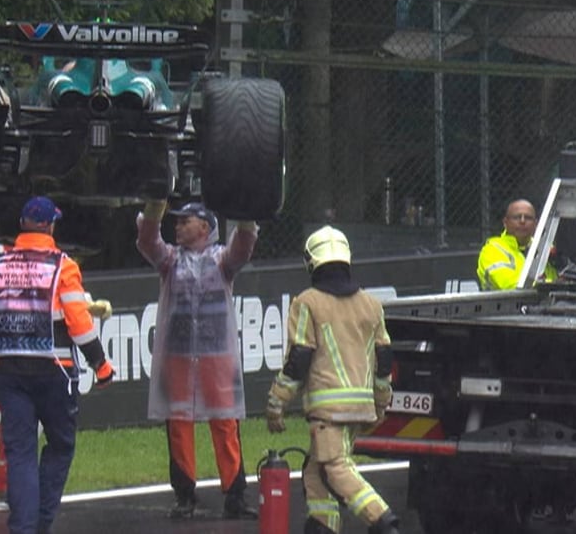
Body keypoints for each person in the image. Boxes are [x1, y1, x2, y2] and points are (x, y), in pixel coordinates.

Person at [0, 196, 114, 534]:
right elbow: (78, 320)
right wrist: (100, 364)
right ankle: (41, 522)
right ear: (51, 226)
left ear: (22, 225)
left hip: (8, 371)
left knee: (20, 453)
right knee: (61, 445)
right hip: (55, 371)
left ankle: (23, 528)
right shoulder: (62, 266)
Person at [265, 226, 400, 534]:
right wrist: (381, 402)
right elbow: (384, 359)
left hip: (328, 410)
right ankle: (324, 525)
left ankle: (383, 520)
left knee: (337, 467)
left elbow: (300, 358)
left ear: (311, 262)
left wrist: (277, 403)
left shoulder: (308, 302)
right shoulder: (371, 304)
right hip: (361, 407)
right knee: (316, 471)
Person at [136, 200, 258, 520]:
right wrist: (152, 212)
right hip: (177, 355)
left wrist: (246, 217)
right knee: (178, 422)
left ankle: (234, 494)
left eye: (184, 221)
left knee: (225, 422)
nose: (176, 226)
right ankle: (185, 495)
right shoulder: (171, 261)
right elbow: (149, 243)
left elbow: (242, 250)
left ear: (204, 227)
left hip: (216, 354)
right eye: (174, 221)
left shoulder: (221, 260)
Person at [476, 198, 556, 290]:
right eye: (517, 217)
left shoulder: (543, 248)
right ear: (505, 223)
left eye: (528, 218)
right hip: (506, 303)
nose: (522, 221)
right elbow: (513, 286)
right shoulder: (492, 250)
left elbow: (557, 278)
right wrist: (554, 284)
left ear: (536, 224)